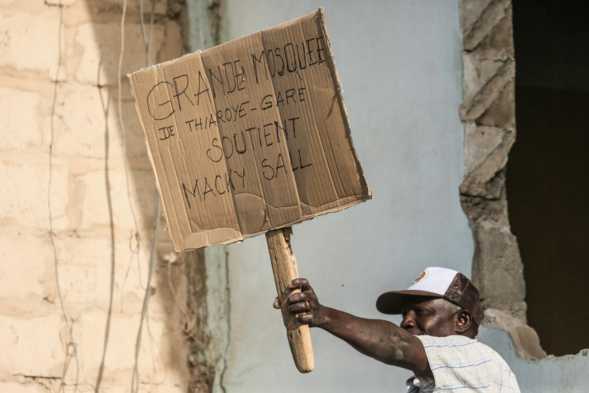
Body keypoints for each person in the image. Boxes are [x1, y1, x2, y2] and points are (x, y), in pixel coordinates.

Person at [274, 266, 520, 392]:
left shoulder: (479, 359)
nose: (406, 322)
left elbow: (398, 344)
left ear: (462, 321)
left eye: (421, 311)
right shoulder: (430, 379)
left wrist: (322, 314)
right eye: (404, 315)